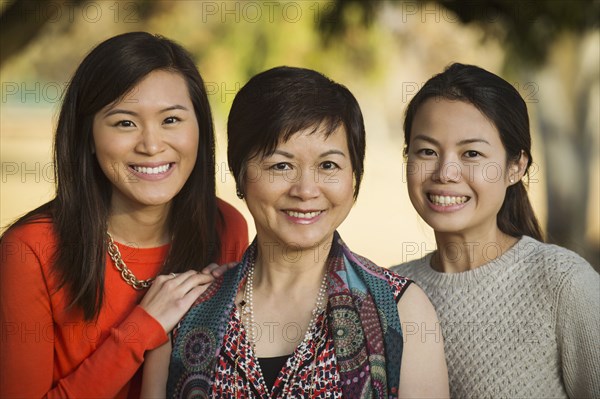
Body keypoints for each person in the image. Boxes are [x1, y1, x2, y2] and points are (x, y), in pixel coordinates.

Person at [141, 66, 449, 399]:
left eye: (328, 165)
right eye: (281, 165)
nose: (305, 190)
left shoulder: (400, 310)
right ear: (240, 175)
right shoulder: (184, 313)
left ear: (354, 177)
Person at [0, 32, 248, 398]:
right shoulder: (30, 250)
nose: (151, 145)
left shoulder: (225, 227)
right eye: (125, 123)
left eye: (171, 120)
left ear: (200, 129)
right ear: (88, 137)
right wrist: (141, 329)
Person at [392, 63, 600, 398]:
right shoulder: (387, 294)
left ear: (516, 167)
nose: (445, 172)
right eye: (427, 151)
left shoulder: (563, 283)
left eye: (471, 153)